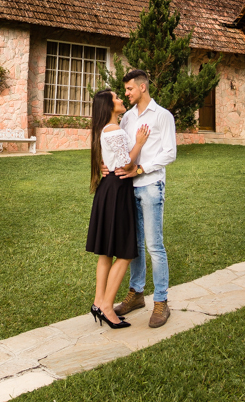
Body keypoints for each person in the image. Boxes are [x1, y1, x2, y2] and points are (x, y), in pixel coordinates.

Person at [112, 68, 177, 328]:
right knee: (135, 245)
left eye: (129, 89)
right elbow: (124, 150)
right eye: (125, 90)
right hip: (129, 188)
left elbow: (170, 153)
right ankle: (136, 294)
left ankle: (161, 301)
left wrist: (141, 169)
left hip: (151, 185)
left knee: (154, 246)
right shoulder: (127, 118)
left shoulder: (162, 116)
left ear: (142, 87)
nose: (126, 93)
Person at [85, 89, 150, 328]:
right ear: (109, 106)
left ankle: (98, 301)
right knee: (124, 252)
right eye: (116, 98)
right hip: (118, 190)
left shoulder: (105, 129)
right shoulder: (114, 130)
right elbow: (126, 163)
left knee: (106, 252)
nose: (121, 99)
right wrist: (140, 143)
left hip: (109, 188)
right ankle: (106, 307)